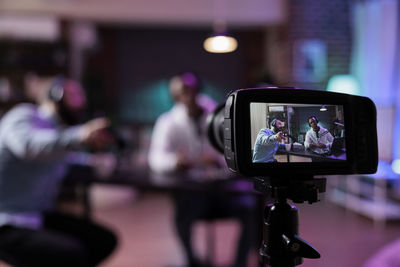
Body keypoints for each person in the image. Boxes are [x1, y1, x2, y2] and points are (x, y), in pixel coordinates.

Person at [0, 73, 117, 267]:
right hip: (7, 220)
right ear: (55, 95)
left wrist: (96, 161)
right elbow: (28, 147)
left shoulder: (58, 132)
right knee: (71, 254)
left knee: (103, 241)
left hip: (36, 215)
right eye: (75, 96)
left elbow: (63, 157)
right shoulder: (24, 116)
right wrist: (80, 134)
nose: (81, 102)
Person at [148, 72, 256, 267]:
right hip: (193, 195)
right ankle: (191, 260)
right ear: (175, 96)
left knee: (251, 208)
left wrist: (217, 160)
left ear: (199, 90)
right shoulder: (167, 122)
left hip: (224, 191)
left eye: (192, 89)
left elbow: (236, 152)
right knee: (182, 214)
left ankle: (240, 263)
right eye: (182, 91)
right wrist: (176, 162)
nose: (189, 95)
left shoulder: (220, 116)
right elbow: (155, 158)